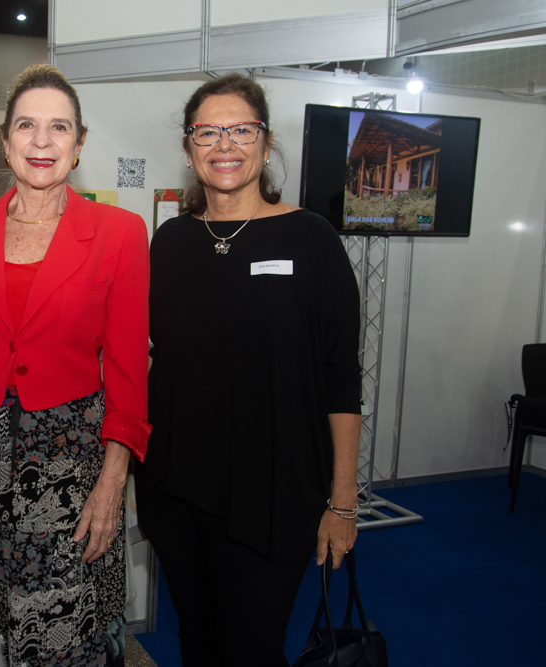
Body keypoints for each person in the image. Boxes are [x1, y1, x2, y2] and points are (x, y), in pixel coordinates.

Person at [0, 64, 151, 666]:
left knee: (58, 624)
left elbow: (129, 371)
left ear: (79, 146)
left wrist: (113, 479)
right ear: (5, 141)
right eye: (27, 126)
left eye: (59, 128)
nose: (42, 142)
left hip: (65, 464)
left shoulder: (121, 234)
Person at [136, 73, 362, 667]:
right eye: (207, 132)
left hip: (274, 493)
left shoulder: (312, 238)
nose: (224, 144)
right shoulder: (171, 241)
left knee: (253, 650)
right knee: (197, 642)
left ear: (265, 142)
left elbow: (342, 378)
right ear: (189, 148)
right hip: (176, 487)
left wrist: (342, 502)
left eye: (240, 129)